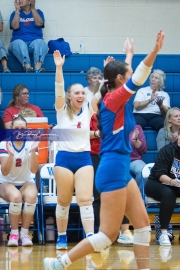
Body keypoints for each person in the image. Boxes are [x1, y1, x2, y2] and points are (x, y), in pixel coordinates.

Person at [44, 30, 165, 270]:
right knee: (107, 235)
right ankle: (60, 262)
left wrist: (128, 56)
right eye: (125, 75)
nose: (129, 77)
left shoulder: (116, 96)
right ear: (121, 80)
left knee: (141, 226)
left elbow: (127, 75)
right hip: (111, 168)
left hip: (118, 166)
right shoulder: (112, 99)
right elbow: (137, 77)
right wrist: (154, 51)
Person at [0, 116, 39, 246]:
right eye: (16, 128)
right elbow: (5, 171)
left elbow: (34, 170)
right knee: (16, 197)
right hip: (6, 183)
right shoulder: (4, 144)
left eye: (23, 128)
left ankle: (24, 233)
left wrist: (33, 151)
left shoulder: (31, 144)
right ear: (11, 129)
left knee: (32, 196)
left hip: (25, 182)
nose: (19, 131)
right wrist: (11, 154)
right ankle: (14, 233)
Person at [145, 136, 180, 246]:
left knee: (171, 192)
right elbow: (160, 174)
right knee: (169, 193)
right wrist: (172, 181)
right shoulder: (167, 150)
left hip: (176, 185)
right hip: (156, 183)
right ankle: (163, 233)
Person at [117, 125, 147, 245]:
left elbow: (143, 149)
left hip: (134, 160)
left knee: (142, 170)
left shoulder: (137, 127)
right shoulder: (114, 126)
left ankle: (138, 200)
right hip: (119, 160)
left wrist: (136, 140)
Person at [8, 0, 48, 73]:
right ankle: (27, 67)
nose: (19, 1)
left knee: (40, 42)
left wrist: (33, 9)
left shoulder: (38, 12)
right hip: (18, 44)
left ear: (30, 1)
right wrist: (17, 11)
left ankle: (38, 67)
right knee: (19, 43)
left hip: (34, 43)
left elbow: (39, 23)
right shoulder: (14, 14)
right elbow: (15, 26)